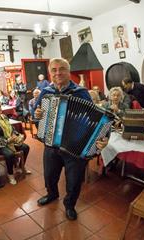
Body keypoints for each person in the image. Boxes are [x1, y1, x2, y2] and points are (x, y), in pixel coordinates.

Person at [34, 58, 109, 221]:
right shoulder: (46, 92)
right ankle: (52, 194)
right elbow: (36, 114)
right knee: (49, 175)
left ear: (68, 72)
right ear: (50, 73)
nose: (58, 73)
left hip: (75, 147)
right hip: (51, 144)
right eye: (54, 70)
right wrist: (37, 115)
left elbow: (96, 120)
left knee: (74, 181)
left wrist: (103, 138)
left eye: (62, 69)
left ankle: (69, 205)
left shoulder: (81, 92)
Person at [0, 98, 30, 185]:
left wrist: (17, 135)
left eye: (0, 106)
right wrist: (7, 140)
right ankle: (10, 174)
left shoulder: (4, 116)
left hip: (11, 141)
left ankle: (20, 167)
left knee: (26, 147)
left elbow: (11, 129)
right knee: (9, 154)